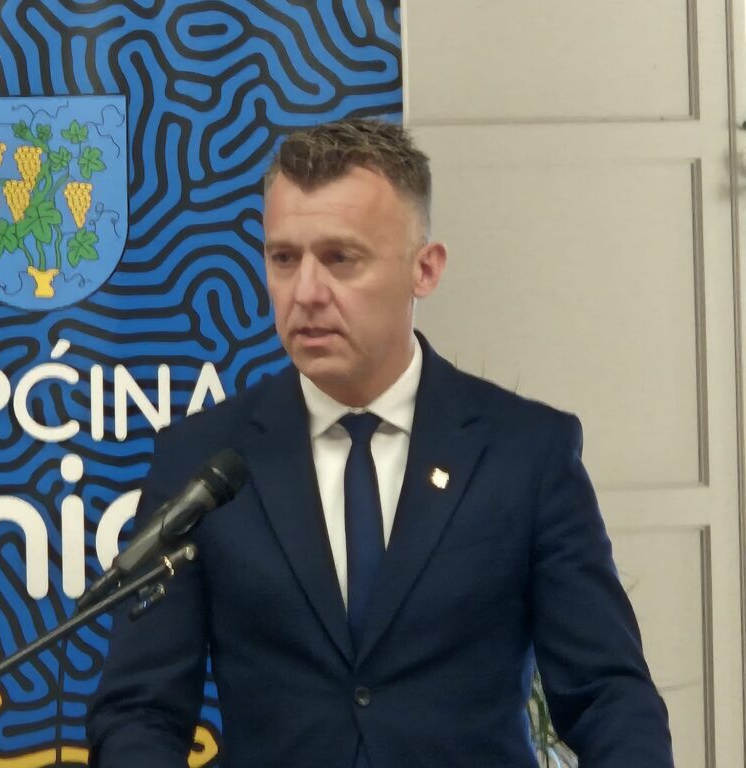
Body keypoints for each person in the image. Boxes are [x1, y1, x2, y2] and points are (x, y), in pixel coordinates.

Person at [86, 118, 674, 767]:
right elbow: (140, 710)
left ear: (425, 269)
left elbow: (607, 694)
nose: (306, 293)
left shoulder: (525, 453)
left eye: (341, 258)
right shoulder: (205, 462)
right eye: (284, 259)